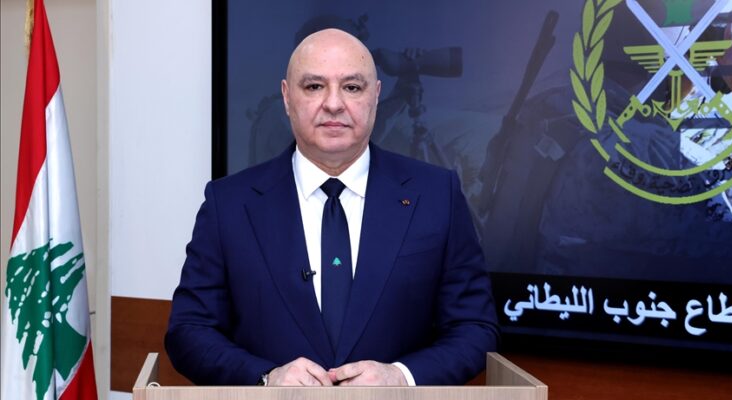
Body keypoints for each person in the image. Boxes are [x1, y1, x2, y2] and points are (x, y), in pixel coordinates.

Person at [165, 28, 499, 386]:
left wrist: (401, 378)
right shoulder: (229, 204)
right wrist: (266, 379)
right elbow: (189, 330)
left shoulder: (436, 195)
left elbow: (475, 328)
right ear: (286, 97)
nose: (334, 104)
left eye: (352, 87)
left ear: (376, 96)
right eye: (314, 86)